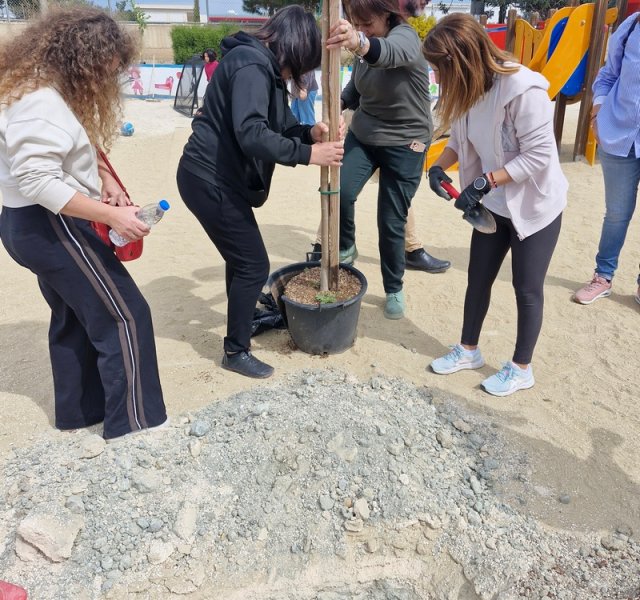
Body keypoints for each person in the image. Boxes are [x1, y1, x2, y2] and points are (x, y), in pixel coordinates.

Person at [0, 7, 167, 439]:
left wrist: (106, 178)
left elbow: (72, 142)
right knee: (125, 316)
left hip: (27, 223)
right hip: (50, 223)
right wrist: (113, 216)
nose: (111, 77)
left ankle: (80, 413)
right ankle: (135, 427)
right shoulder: (40, 102)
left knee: (75, 315)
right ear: (84, 59)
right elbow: (38, 181)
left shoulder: (36, 84)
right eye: (109, 67)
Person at [176, 5, 345, 379]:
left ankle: (245, 320)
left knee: (241, 259)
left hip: (218, 178)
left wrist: (310, 134)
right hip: (208, 177)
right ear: (294, 49)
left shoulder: (264, 68)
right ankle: (235, 351)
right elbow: (251, 133)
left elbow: (281, 127)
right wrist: (309, 155)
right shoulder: (251, 65)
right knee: (253, 264)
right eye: (300, 65)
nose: (297, 74)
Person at [424, 14, 567, 396]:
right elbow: (458, 142)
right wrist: (437, 167)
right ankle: (468, 350)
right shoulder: (467, 91)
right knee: (478, 278)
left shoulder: (523, 90)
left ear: (460, 61)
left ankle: (521, 368)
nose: (436, 76)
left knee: (527, 288)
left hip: (534, 205)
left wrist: (486, 181)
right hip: (493, 205)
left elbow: (539, 156)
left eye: (439, 67)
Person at [309, 0, 451, 275]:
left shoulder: (404, 37)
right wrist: (339, 104)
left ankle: (410, 250)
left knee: (393, 205)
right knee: (341, 188)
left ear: (387, 15)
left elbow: (386, 53)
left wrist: (358, 41)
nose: (362, 29)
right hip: (367, 134)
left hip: (404, 139)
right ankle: (327, 244)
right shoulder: (367, 42)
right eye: (357, 24)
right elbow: (356, 86)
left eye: (367, 24)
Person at [573, 12, 640, 306]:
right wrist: (597, 112)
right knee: (616, 214)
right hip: (619, 134)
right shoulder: (631, 27)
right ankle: (603, 276)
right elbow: (608, 74)